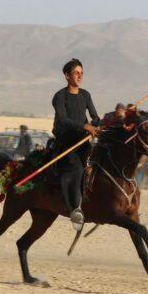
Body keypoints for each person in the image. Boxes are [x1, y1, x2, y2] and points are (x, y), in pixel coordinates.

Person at [51, 58, 101, 228]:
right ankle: (75, 209)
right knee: (77, 168)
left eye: (82, 73)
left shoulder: (85, 95)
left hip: (83, 141)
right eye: (76, 73)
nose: (80, 76)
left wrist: (96, 124)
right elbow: (63, 120)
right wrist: (84, 126)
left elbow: (95, 116)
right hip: (66, 142)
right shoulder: (60, 96)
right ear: (67, 75)